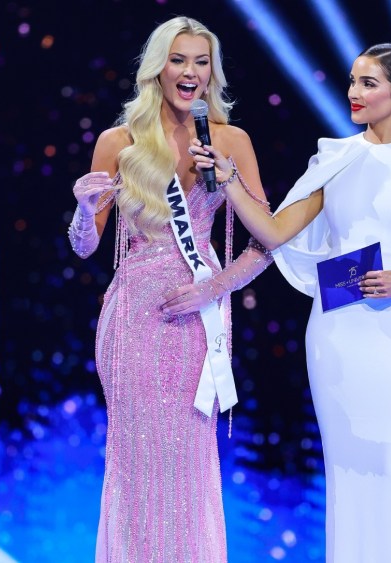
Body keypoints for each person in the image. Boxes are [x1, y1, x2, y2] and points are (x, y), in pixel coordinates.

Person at [193, 43, 391, 562]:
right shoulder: (335, 158)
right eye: (352, 81)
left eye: (369, 83)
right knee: (346, 465)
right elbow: (274, 232)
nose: (354, 94)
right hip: (336, 329)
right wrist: (228, 181)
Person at [68, 16, 273, 562]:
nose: (190, 72)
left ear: (212, 72)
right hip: (134, 317)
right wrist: (85, 213)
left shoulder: (230, 140)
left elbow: (266, 243)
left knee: (189, 454)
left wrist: (216, 289)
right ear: (158, 69)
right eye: (179, 60)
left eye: (201, 62)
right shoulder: (120, 142)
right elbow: (87, 246)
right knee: (136, 458)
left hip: (200, 318)